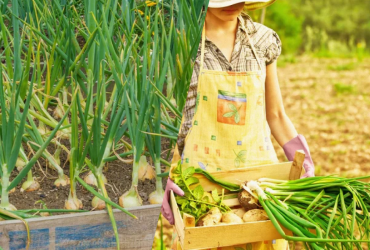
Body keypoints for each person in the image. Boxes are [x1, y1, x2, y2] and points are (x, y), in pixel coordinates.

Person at [162, 0, 315, 249]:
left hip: (259, 188)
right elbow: (162, 121)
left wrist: (302, 160)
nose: (235, 4)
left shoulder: (264, 40)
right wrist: (157, 177)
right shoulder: (179, 44)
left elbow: (275, 113)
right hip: (201, 187)